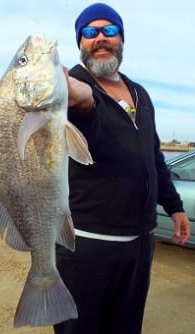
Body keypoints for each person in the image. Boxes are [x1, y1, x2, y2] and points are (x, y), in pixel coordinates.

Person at [54, 3, 191, 334]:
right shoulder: (66, 90)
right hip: (86, 244)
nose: (100, 38)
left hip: (139, 245)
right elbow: (84, 126)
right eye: (90, 32)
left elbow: (153, 157)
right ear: (80, 43)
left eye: (109, 31)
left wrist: (174, 207)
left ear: (121, 39)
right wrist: (84, 103)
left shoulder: (140, 94)